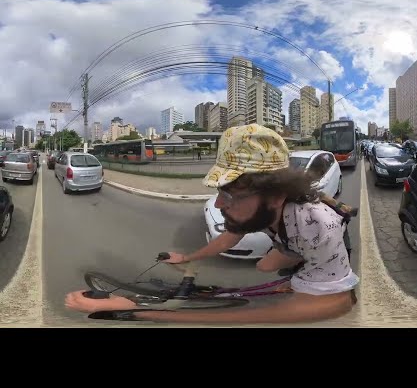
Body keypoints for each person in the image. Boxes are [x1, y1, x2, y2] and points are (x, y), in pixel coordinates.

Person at [64, 124, 359, 324]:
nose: (219, 204)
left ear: (275, 195)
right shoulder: (260, 206)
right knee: (262, 267)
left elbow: (340, 303)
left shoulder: (316, 224)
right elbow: (231, 236)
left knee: (289, 279)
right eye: (220, 191)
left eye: (230, 193)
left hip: (307, 245)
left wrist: (142, 313)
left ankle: (309, 272)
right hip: (286, 241)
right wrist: (188, 257)